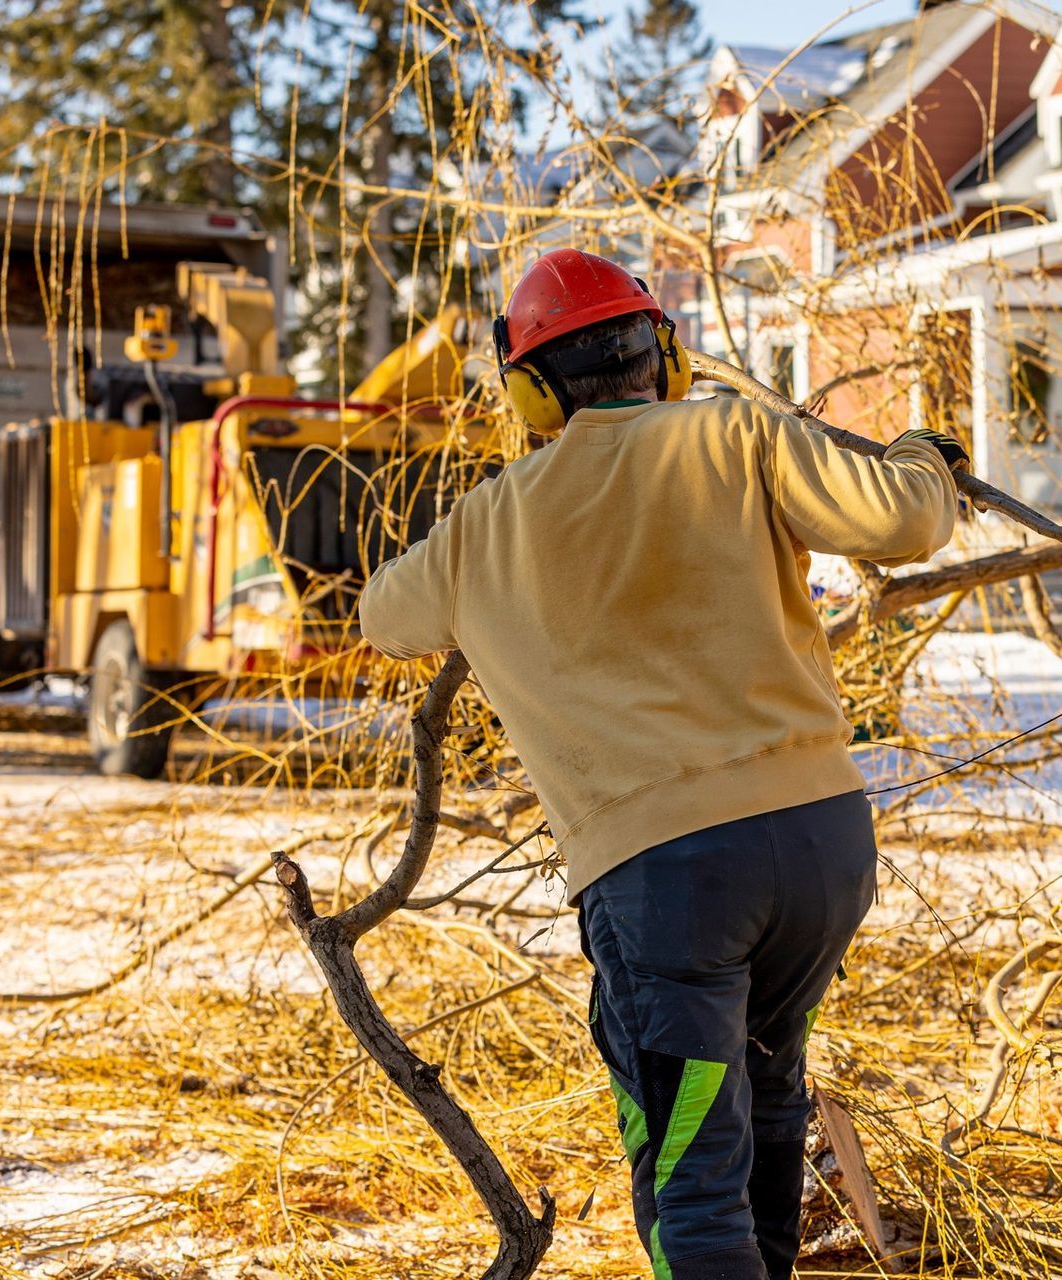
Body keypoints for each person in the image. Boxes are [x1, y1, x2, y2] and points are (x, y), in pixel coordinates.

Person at [359, 248, 966, 1280]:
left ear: (529, 389)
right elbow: (907, 516)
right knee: (770, 1104)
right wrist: (921, 453)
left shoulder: (486, 524)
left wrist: (490, 553)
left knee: (690, 1168)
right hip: (820, 852)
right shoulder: (733, 430)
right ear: (666, 357)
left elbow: (382, 616)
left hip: (669, 887)